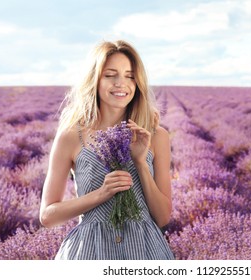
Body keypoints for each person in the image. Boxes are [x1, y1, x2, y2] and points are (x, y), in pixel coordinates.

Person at [39, 40, 175, 260]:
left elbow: (162, 217)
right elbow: (47, 216)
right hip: (89, 253)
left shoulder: (156, 136)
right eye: (110, 74)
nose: (121, 83)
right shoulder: (70, 136)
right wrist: (100, 194)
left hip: (145, 253)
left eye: (130, 76)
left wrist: (140, 162)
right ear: (95, 80)